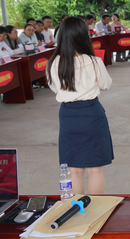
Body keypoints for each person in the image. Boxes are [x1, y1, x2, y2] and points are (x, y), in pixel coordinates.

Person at [47, 16, 113, 195]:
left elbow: (54, 88)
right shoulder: (94, 61)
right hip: (92, 113)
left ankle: (77, 208)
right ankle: (95, 209)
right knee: (95, 170)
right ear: (83, 36)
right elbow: (106, 84)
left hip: (68, 116)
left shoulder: (53, 63)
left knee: (74, 170)